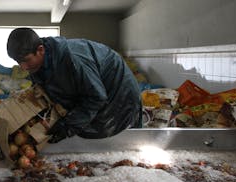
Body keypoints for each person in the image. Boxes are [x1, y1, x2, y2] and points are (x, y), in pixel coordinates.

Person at [7, 28, 142, 143]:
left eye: (26, 60)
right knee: (80, 125)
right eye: (19, 62)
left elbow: (96, 97)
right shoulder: (36, 65)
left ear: (40, 50)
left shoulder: (73, 59)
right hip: (97, 91)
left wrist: (68, 126)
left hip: (120, 95)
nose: (23, 67)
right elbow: (46, 90)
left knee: (114, 141)